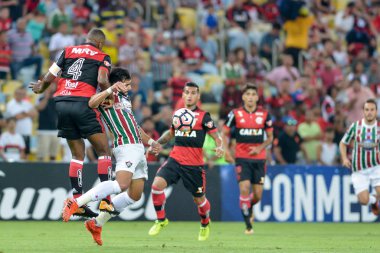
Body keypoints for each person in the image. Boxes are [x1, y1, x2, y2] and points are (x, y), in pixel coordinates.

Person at [29, 28, 128, 218]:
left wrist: (40, 87)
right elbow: (101, 79)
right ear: (100, 43)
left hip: (62, 103)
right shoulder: (102, 55)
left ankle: (77, 200)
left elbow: (50, 76)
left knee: (77, 155)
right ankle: (106, 201)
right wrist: (108, 95)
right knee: (103, 152)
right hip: (84, 103)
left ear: (86, 40)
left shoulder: (68, 51)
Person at [61, 68, 161, 246]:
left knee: (134, 195)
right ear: (118, 82)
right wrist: (110, 88)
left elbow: (135, 126)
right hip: (125, 146)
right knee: (121, 185)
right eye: (127, 84)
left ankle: (96, 223)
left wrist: (151, 141)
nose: (129, 87)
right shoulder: (109, 96)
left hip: (138, 147)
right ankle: (76, 202)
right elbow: (92, 103)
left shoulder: (125, 98)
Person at [148, 82, 224, 241]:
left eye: (193, 93)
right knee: (156, 186)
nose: (189, 95)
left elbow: (217, 137)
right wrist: (156, 143)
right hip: (175, 160)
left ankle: (205, 223)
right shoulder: (178, 114)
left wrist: (220, 147)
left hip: (194, 166)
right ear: (182, 95)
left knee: (199, 200)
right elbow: (170, 135)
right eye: (187, 92)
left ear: (198, 96)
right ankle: (161, 220)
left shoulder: (204, 116)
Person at [222, 84, 274, 235]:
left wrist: (259, 148)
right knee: (244, 188)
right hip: (241, 158)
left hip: (259, 159)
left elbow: (270, 138)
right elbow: (224, 133)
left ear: (257, 97)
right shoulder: (235, 114)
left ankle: (249, 207)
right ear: (243, 97)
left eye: (253, 94)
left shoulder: (265, 115)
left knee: (257, 195)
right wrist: (226, 151)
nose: (250, 97)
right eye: (248, 94)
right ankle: (248, 226)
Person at [339, 98, 380, 216]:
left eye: (372, 110)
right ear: (363, 111)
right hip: (359, 169)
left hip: (376, 167)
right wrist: (344, 158)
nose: (369, 112)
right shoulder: (355, 126)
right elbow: (343, 143)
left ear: (376, 111)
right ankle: (374, 201)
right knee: (363, 200)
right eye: (367, 110)